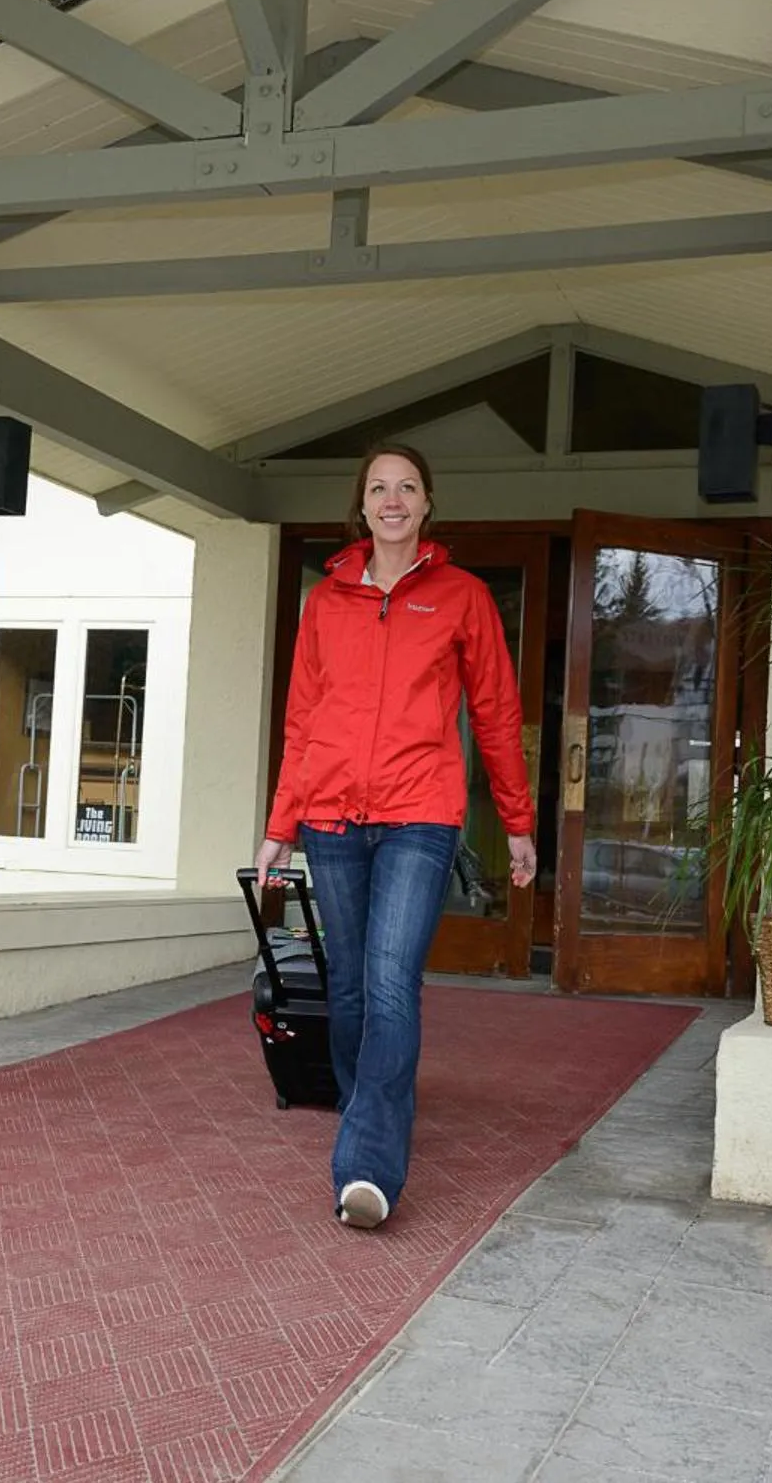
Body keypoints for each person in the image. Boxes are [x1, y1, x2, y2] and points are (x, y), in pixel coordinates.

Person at [256, 441, 537, 1230]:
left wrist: (516, 820)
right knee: (347, 988)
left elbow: (496, 713)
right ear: (363, 505)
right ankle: (368, 1108)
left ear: (426, 504)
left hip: (421, 812)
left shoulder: (461, 598)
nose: (392, 499)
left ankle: (368, 1164)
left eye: (407, 486)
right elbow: (304, 720)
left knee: (388, 980)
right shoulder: (327, 603)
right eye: (378, 487)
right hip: (332, 817)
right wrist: (281, 827)